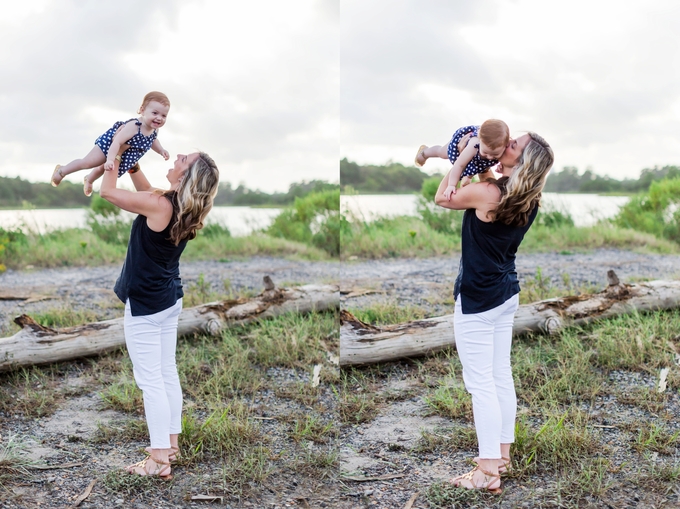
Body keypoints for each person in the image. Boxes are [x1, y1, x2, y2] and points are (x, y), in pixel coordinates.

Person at [434, 132, 554, 492]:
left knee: (480, 383)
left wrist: (463, 156)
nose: (506, 146)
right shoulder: (527, 198)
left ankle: (487, 472)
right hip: (505, 294)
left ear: (523, 162)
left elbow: (442, 196)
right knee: (500, 374)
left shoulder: (491, 194)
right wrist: (486, 157)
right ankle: (501, 454)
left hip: (478, 299)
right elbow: (487, 177)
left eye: (513, 146)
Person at [100, 150, 219, 478]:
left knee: (150, 380)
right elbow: (147, 191)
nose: (178, 154)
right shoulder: (177, 205)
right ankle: (171, 446)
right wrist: (133, 164)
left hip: (147, 305)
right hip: (168, 300)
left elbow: (108, 192)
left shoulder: (162, 205)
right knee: (166, 372)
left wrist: (114, 155)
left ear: (186, 175)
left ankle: (158, 461)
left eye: (186, 157)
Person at [51, 91, 171, 196]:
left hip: (123, 152)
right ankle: (62, 171)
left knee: (102, 169)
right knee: (88, 162)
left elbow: (153, 140)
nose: (159, 118)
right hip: (110, 145)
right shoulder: (134, 126)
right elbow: (117, 142)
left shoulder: (154, 129)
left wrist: (161, 150)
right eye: (155, 113)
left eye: (163, 115)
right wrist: (109, 159)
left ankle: (89, 179)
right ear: (142, 110)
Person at [416, 120, 510, 200]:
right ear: (480, 140)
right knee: (442, 153)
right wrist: (452, 185)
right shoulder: (474, 145)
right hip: (461, 145)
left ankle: (468, 177)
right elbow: (459, 165)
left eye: (495, 154)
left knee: (480, 162)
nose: (489, 157)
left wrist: (502, 166)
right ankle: (425, 152)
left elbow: (501, 164)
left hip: (476, 160)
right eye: (485, 152)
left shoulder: (502, 145)